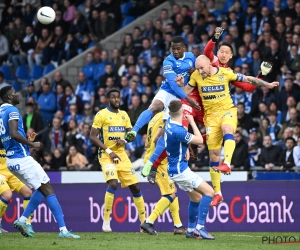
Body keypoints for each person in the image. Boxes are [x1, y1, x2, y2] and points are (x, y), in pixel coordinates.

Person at [0, 86, 79, 239]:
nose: (17, 95)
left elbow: (7, 139)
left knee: (40, 188)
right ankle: (63, 230)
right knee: (48, 188)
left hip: (11, 161)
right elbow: (14, 134)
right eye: (15, 93)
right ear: (9, 97)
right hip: (21, 159)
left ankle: (22, 220)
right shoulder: (12, 111)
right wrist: (32, 144)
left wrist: (25, 143)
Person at [182, 55, 278, 176]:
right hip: (209, 115)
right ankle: (217, 192)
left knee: (227, 129)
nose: (200, 71)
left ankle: (226, 163)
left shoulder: (226, 72)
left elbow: (248, 81)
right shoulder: (196, 75)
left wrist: (266, 84)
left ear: (210, 64)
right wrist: (180, 85)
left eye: (201, 68)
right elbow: (184, 93)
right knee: (213, 154)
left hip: (227, 111)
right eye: (198, 69)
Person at [124, 36, 199, 159]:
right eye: (173, 48)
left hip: (179, 97)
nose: (175, 51)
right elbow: (174, 86)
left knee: (165, 132)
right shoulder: (168, 61)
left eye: (178, 49)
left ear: (184, 48)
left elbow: (198, 72)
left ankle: (151, 163)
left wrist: (194, 71)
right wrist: (189, 99)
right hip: (168, 91)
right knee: (155, 106)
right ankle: (134, 130)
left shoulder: (191, 56)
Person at [90, 89, 146, 232]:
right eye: (113, 97)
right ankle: (106, 222)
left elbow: (131, 135)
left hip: (121, 155)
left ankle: (144, 224)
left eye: (118, 97)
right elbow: (93, 136)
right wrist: (109, 151)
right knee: (113, 183)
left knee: (136, 187)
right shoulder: (101, 115)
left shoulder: (124, 115)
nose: (116, 99)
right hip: (106, 155)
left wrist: (125, 140)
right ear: (108, 99)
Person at [164, 100, 214, 240]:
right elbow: (199, 140)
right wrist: (192, 121)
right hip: (181, 171)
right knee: (209, 192)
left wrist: (184, 149)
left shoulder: (168, 122)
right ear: (182, 112)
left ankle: (190, 230)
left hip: (174, 168)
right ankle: (200, 228)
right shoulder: (178, 130)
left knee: (196, 197)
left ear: (169, 113)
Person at [140, 112, 185, 235]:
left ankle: (178, 225)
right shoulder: (168, 117)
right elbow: (160, 139)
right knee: (170, 194)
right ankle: (148, 222)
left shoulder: (155, 117)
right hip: (158, 160)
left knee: (172, 191)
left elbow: (149, 142)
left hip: (155, 156)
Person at [0, 145, 34, 234]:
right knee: (7, 195)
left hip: (11, 173)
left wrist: (29, 143)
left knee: (28, 192)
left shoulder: (9, 138)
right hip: (0, 173)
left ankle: (27, 224)